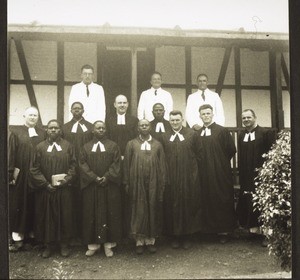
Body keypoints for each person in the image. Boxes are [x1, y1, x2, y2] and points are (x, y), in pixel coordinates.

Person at [30, 120, 76, 258]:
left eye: (56, 128)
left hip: (63, 189)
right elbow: (34, 169)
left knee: (64, 216)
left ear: (60, 130)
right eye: (51, 128)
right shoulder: (39, 147)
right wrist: (45, 184)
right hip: (46, 190)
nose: (54, 130)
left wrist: (64, 181)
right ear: (47, 131)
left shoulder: (68, 146)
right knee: (47, 217)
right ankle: (48, 245)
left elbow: (73, 167)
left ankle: (64, 245)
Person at [79, 121, 122, 257]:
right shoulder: (85, 147)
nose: (101, 130)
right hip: (91, 187)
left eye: (103, 128)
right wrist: (94, 178)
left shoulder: (113, 146)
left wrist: (107, 177)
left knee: (109, 213)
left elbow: (117, 164)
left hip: (108, 186)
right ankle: (93, 245)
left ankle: (108, 246)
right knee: (90, 214)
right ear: (93, 130)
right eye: (98, 128)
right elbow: (82, 164)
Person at [123, 119, 166, 254]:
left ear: (150, 127)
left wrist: (162, 183)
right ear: (138, 128)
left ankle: (151, 241)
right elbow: (126, 165)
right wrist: (126, 182)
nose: (144, 127)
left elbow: (163, 165)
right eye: (141, 125)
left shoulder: (157, 145)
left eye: (146, 125)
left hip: (154, 182)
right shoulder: (131, 144)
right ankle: (139, 241)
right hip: (137, 182)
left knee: (152, 208)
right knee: (139, 209)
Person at [161, 110, 202, 249]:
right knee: (172, 204)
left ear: (182, 119)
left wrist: (193, 172)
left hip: (188, 176)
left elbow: (199, 153)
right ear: (169, 120)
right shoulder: (164, 135)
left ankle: (187, 236)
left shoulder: (191, 134)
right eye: (172, 120)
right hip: (171, 176)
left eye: (177, 120)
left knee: (188, 204)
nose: (175, 122)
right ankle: (174, 236)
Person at [196, 104, 236, 243]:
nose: (206, 116)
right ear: (200, 116)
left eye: (208, 113)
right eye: (203, 114)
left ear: (212, 114)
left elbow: (231, 150)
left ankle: (223, 231)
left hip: (220, 171)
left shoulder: (222, 131)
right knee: (206, 197)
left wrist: (220, 163)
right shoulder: (198, 132)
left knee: (220, 197)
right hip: (203, 171)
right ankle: (208, 230)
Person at [236, 109, 276, 246]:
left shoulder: (265, 133)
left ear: (255, 117)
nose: (246, 120)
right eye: (244, 118)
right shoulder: (241, 135)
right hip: (247, 175)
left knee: (263, 202)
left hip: (261, 175)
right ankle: (253, 231)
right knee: (249, 201)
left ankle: (266, 235)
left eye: (249, 117)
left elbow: (272, 154)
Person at [9, 106, 45, 252]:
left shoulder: (42, 133)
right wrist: (10, 173)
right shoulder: (16, 133)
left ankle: (32, 237)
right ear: (24, 116)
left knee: (34, 205)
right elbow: (11, 154)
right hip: (21, 175)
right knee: (19, 205)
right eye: (30, 115)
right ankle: (18, 239)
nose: (32, 117)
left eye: (35, 115)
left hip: (37, 175)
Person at [62, 101, 93, 242]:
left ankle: (85, 232)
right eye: (74, 109)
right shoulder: (65, 128)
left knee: (86, 199)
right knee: (71, 199)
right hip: (71, 167)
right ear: (71, 110)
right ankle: (72, 233)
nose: (77, 111)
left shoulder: (91, 127)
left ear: (83, 110)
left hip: (86, 168)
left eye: (79, 108)